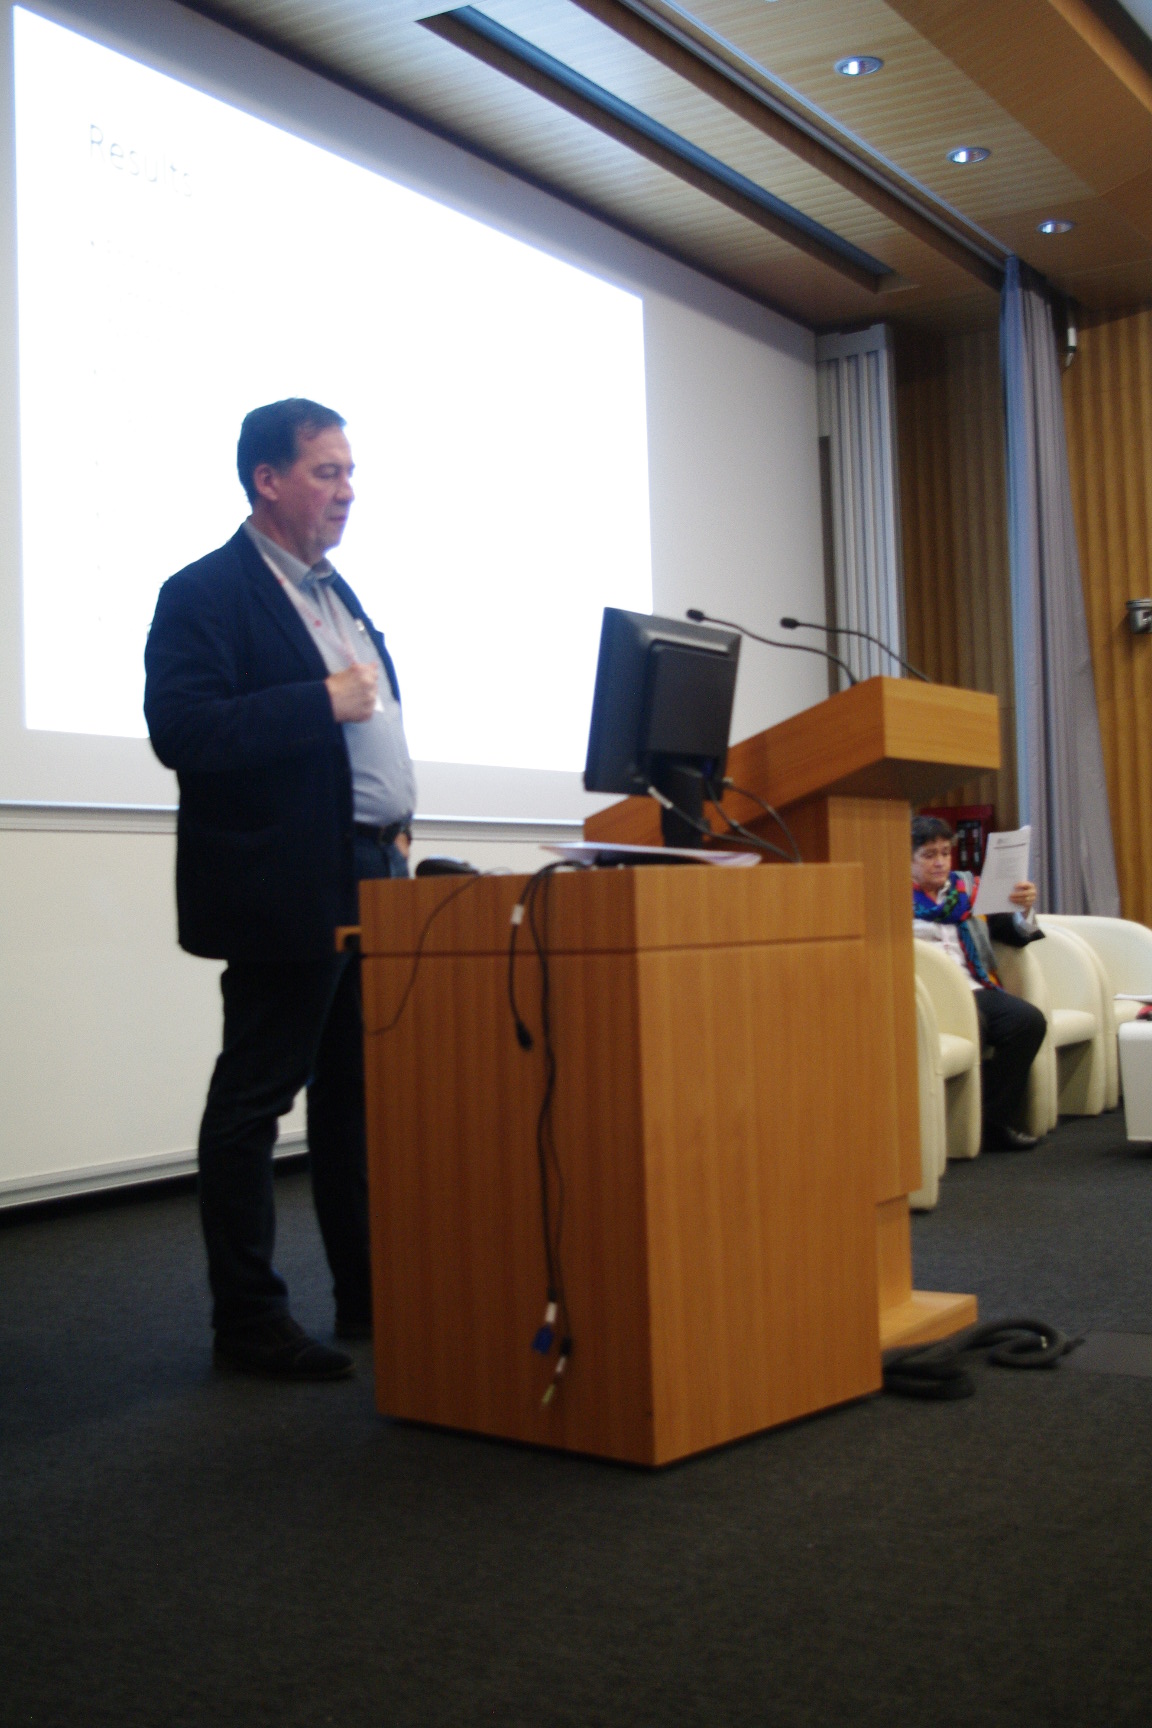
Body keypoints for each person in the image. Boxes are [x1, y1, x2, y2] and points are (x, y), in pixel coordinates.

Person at [144, 398, 416, 1379]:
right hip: (287, 880)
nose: (347, 491)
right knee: (255, 1099)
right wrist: (320, 700)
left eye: (350, 472)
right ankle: (249, 1319)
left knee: (355, 1099)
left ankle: (367, 1295)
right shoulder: (206, 592)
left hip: (373, 871)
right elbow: (185, 731)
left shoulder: (337, 594)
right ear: (268, 479)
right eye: (326, 472)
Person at [911, 814, 1047, 1152]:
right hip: (925, 996)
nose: (940, 862)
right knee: (975, 1023)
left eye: (945, 853)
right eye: (929, 855)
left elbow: (1014, 936)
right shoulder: (892, 902)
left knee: (1028, 1021)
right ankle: (954, 1128)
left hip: (974, 987)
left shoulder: (970, 892)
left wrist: (1024, 910)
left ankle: (993, 1120)